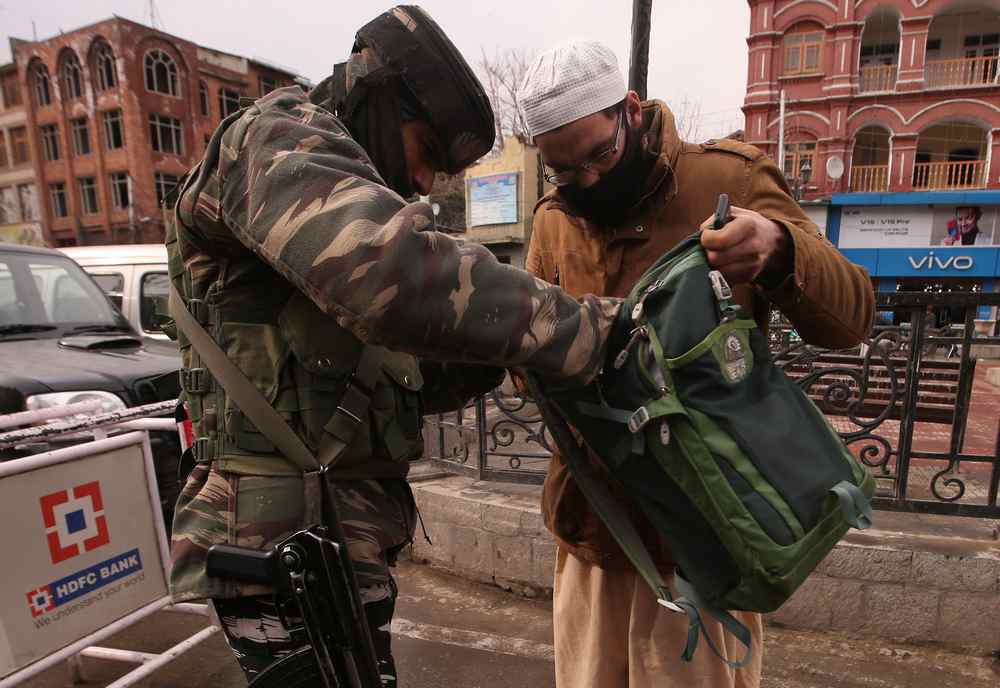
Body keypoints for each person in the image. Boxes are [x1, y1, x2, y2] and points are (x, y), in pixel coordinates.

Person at [165, 9, 622, 685]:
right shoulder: (276, 140)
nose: (427, 182)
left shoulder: (341, 187)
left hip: (342, 537)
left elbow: (408, 375)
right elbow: (385, 276)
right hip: (274, 544)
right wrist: (588, 332)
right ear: (381, 98)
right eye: (429, 153)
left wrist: (504, 355)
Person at [518, 40, 875, 688]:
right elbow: (531, 363)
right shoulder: (550, 222)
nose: (590, 181)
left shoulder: (729, 180)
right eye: (567, 170)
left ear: (629, 108)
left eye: (601, 154)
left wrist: (781, 249)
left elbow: (852, 317)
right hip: (593, 537)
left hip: (706, 548)